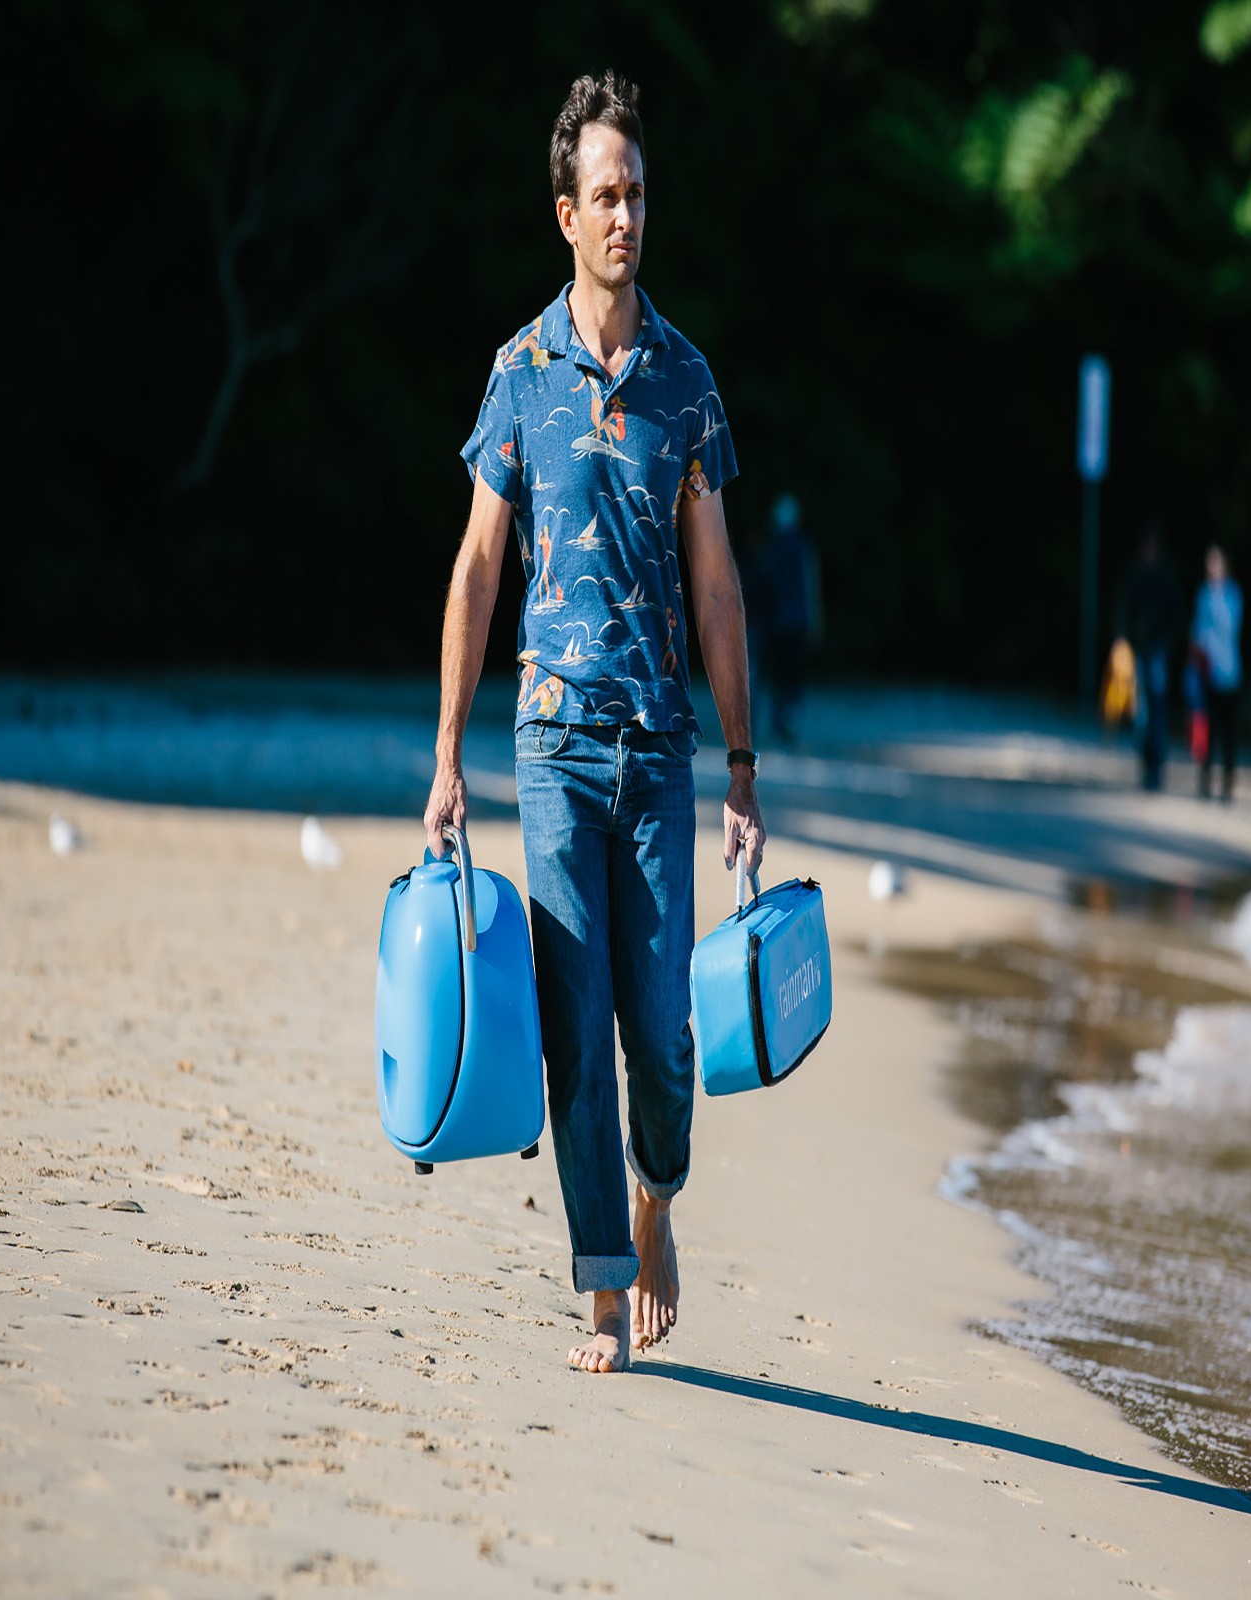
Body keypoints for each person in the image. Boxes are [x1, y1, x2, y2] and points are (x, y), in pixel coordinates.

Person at [422, 73, 765, 1375]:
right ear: (565, 213)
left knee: (663, 1040)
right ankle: (604, 1284)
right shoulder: (518, 375)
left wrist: (742, 762)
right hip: (553, 744)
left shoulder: (688, 380)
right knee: (578, 1024)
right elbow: (474, 570)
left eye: (639, 194)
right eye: (605, 196)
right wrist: (449, 756)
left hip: (664, 751)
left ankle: (656, 1201)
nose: (627, 215)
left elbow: (720, 582)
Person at [1113, 521, 1182, 791]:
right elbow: (1124, 608)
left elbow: (1175, 615)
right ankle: (1145, 765)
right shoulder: (1136, 573)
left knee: (1158, 711)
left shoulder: (1166, 576)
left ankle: (1156, 767)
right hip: (1138, 650)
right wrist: (1122, 639)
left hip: (1158, 651)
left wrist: (1167, 643)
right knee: (1141, 712)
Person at [752, 493, 821, 744]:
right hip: (798, 622)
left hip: (778, 622)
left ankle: (778, 723)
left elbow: (765, 587)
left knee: (779, 675)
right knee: (795, 676)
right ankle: (791, 722)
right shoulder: (803, 546)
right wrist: (815, 620)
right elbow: (810, 584)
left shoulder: (771, 548)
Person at [1191, 544, 1244, 801]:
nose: (1211, 569)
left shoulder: (1232, 594)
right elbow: (1197, 629)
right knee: (1206, 725)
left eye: (1215, 564)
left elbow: (1229, 626)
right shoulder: (1203, 594)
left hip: (1228, 671)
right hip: (1206, 670)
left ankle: (1228, 778)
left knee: (1228, 729)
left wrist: (1217, 597)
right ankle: (1205, 777)